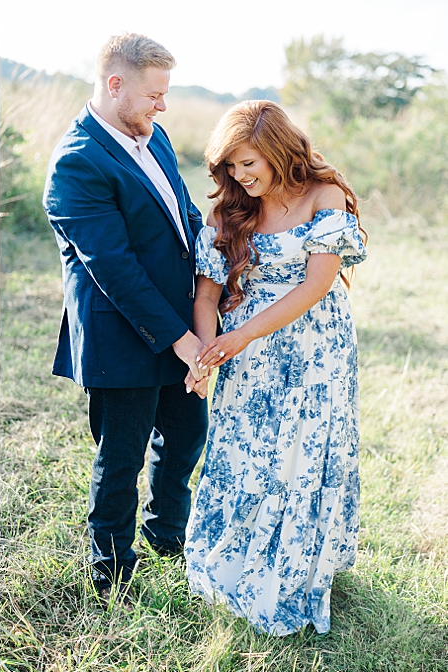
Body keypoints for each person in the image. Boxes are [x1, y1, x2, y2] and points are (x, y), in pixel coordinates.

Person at [183, 100, 367, 635]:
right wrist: (204, 354)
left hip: (315, 349)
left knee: (303, 452)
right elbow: (206, 294)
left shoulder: (324, 197)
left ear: (278, 151)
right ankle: (233, 563)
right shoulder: (229, 211)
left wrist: (240, 336)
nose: (239, 177)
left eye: (249, 164)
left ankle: (299, 568)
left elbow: (316, 286)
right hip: (248, 358)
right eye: (230, 167)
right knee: (248, 449)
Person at [42, 33, 209, 606]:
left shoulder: (153, 136)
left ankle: (167, 536)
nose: (162, 107)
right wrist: (182, 341)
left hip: (184, 326)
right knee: (121, 455)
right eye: (153, 95)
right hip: (124, 336)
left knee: (187, 433)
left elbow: (184, 215)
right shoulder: (76, 163)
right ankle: (110, 571)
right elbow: (114, 269)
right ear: (115, 85)